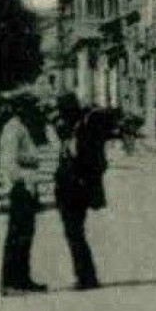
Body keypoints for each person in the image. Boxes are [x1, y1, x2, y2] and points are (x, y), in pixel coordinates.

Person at [53, 95, 104, 291]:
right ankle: (84, 275)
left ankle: (87, 277)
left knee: (75, 233)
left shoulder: (83, 131)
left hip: (75, 190)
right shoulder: (71, 130)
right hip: (68, 189)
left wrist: (83, 179)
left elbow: (93, 161)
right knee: (74, 233)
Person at [0, 95, 47, 295]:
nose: (35, 110)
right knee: (17, 236)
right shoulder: (13, 129)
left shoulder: (21, 127)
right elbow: (9, 163)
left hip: (27, 186)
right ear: (21, 110)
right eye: (32, 107)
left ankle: (23, 279)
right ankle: (10, 283)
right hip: (21, 188)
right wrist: (23, 184)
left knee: (25, 235)